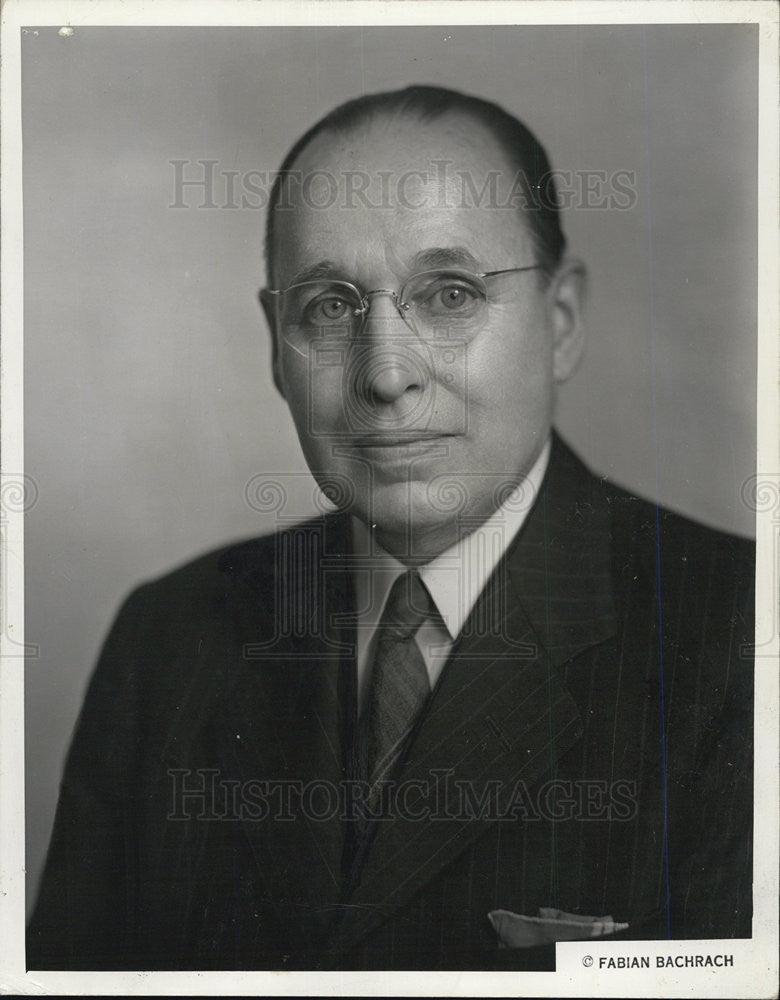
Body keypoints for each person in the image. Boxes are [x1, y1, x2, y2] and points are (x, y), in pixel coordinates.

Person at [27, 85, 754, 972]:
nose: (384, 374)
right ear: (274, 344)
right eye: (330, 306)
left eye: (447, 295)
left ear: (560, 324)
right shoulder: (169, 637)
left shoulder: (740, 638)